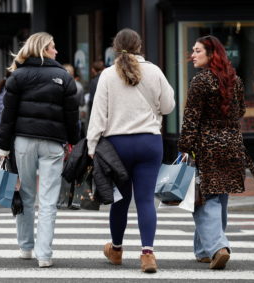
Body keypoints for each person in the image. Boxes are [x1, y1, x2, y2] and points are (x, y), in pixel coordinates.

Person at [86, 28, 175, 273]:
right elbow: (168, 106)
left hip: (118, 146)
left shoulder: (107, 75)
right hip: (149, 142)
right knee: (146, 200)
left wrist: (92, 146)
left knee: (121, 201)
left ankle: (116, 250)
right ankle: (147, 254)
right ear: (139, 46)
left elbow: (98, 115)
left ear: (115, 47)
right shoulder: (155, 71)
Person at [177, 35, 254, 270]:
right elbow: (241, 110)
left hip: (207, 147)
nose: (192, 55)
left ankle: (218, 247)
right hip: (233, 145)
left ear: (211, 54)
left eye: (197, 51)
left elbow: (191, 118)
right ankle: (205, 250)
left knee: (205, 200)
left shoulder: (201, 81)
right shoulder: (234, 80)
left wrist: (184, 147)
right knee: (219, 198)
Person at [0, 32, 80, 268]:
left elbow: (8, 116)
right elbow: (71, 116)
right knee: (48, 199)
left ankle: (26, 247)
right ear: (44, 49)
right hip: (53, 142)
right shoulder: (64, 77)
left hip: (22, 141)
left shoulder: (17, 76)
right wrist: (73, 141)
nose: (56, 51)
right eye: (53, 47)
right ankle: (44, 254)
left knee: (25, 193)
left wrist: (3, 147)